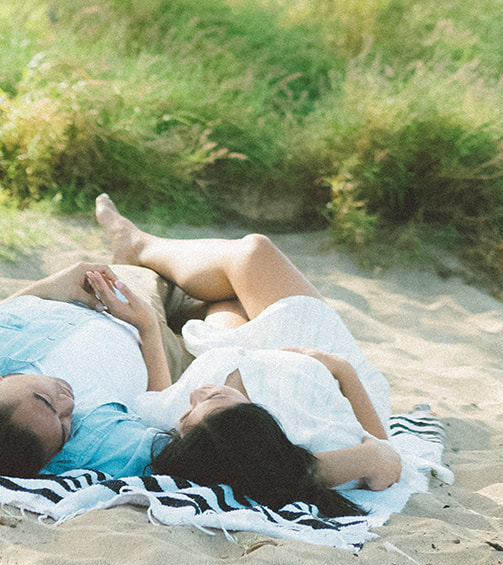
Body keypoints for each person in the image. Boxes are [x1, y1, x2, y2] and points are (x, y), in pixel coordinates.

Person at [94, 195, 403, 513]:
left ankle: (145, 256)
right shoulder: (313, 452)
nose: (196, 394)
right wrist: (340, 369)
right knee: (255, 250)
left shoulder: (198, 434)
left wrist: (146, 325)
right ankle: (138, 245)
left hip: (229, 349)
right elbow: (387, 459)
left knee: (225, 301)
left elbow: (157, 396)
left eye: (187, 413)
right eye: (213, 400)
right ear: (256, 428)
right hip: (308, 348)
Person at [0, 259, 172, 478]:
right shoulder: (88, 444)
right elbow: (162, 411)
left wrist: (52, 286)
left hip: (90, 294)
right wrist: (147, 326)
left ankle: (137, 247)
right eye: (64, 426)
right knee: (210, 284)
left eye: (45, 400)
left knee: (174, 274)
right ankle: (139, 245)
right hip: (151, 335)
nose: (68, 403)